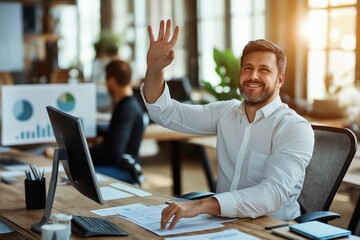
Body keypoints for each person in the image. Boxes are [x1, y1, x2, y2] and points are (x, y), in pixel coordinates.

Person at [141, 19, 315, 230]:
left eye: (264, 70)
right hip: (224, 224)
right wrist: (154, 70)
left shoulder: (294, 128)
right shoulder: (225, 112)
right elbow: (166, 112)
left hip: (272, 229)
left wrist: (202, 205)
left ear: (280, 79)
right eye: (247, 68)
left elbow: (272, 195)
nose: (253, 76)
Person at [89, 59, 145, 184]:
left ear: (112, 81)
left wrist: (77, 153)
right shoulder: (128, 104)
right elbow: (116, 132)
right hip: (122, 165)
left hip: (125, 170)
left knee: (78, 172)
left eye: (106, 80)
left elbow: (113, 152)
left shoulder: (126, 109)